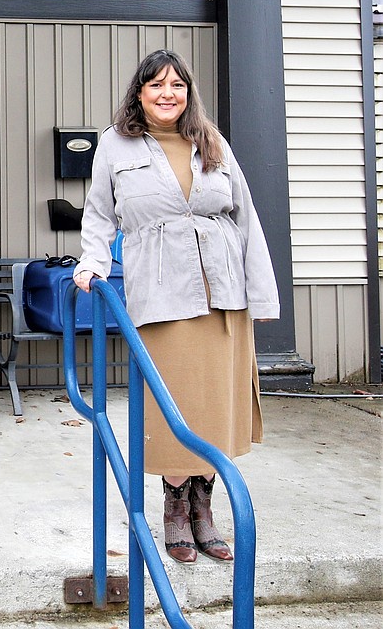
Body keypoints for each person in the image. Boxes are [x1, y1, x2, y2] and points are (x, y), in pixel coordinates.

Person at [73, 49, 278, 564]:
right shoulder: (115, 145)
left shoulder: (211, 140)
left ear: (188, 92)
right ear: (138, 93)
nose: (168, 94)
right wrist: (91, 263)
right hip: (162, 295)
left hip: (223, 294)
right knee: (173, 402)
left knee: (215, 402)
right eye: (156, 85)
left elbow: (246, 218)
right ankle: (174, 508)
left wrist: (261, 294)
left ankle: (204, 508)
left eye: (177, 85)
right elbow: (99, 213)